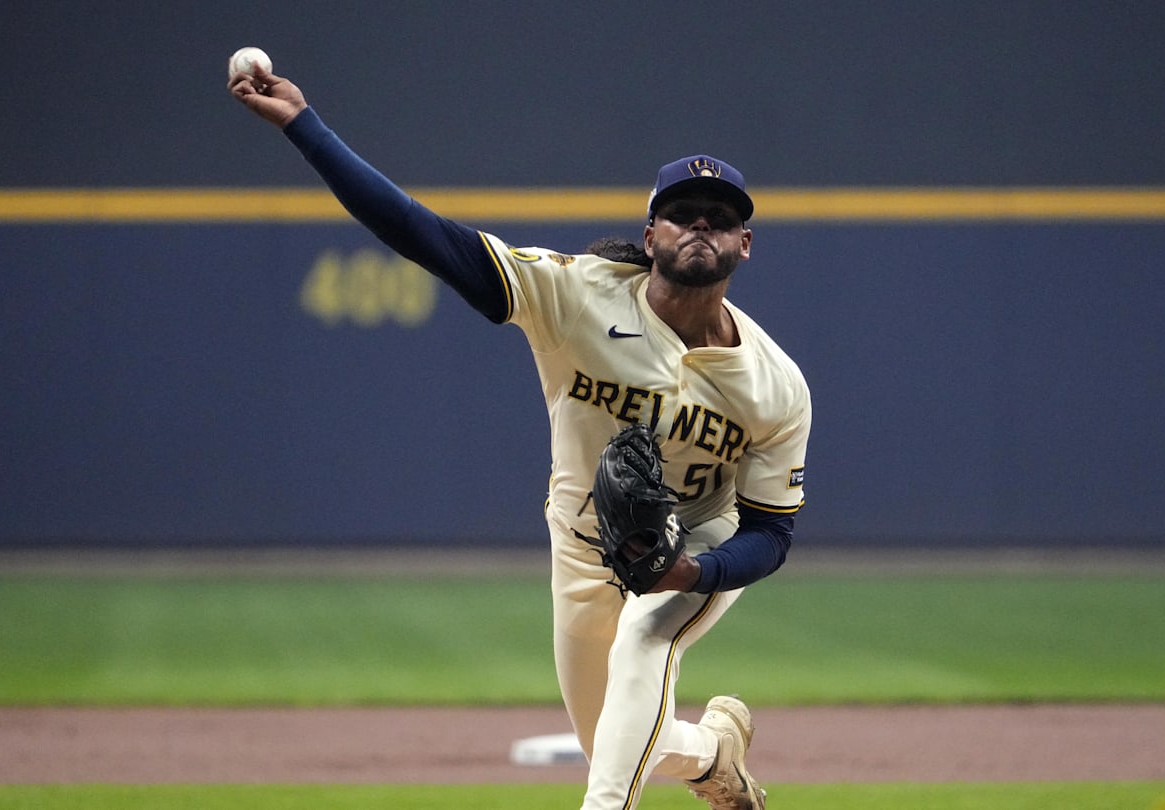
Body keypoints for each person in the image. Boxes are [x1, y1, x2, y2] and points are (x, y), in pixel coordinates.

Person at [229, 62, 811, 810]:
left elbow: (771, 532)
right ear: (650, 233)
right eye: (683, 211)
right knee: (614, 735)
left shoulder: (775, 383)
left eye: (720, 216)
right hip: (580, 544)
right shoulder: (574, 294)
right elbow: (419, 232)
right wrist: (305, 127)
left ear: (745, 244)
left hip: (695, 544)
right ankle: (712, 756)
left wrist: (691, 576)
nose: (702, 223)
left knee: (644, 644)